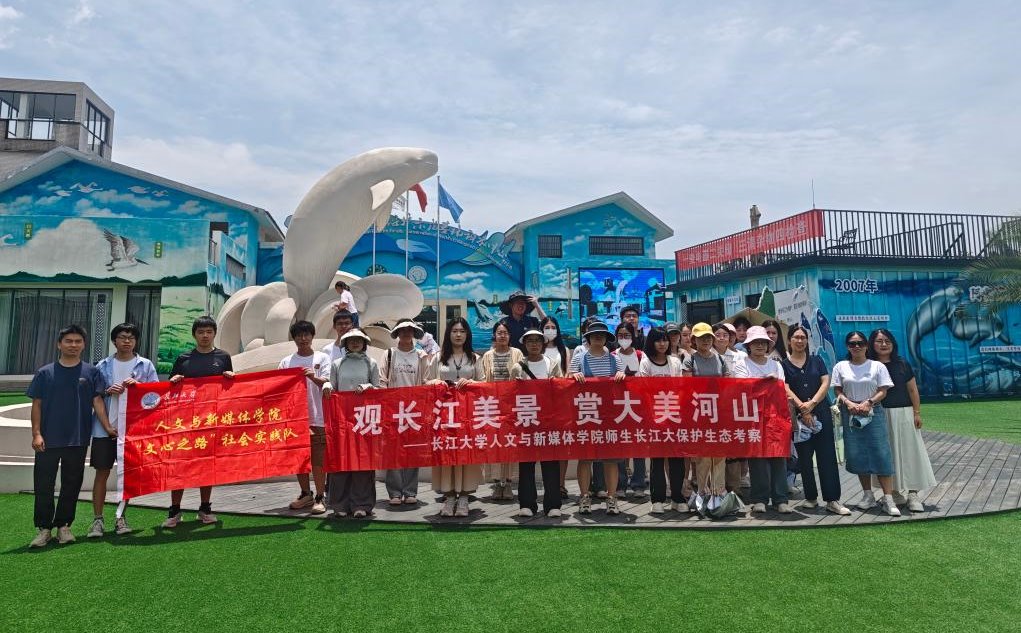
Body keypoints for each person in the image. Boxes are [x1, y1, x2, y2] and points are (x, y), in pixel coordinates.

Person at [27, 325, 110, 548]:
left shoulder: (91, 372)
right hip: (48, 439)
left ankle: (63, 526)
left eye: (78, 341)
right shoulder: (45, 373)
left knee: (71, 483)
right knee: (43, 484)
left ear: (84, 345)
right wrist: (36, 433)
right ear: (59, 344)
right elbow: (37, 404)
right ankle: (44, 529)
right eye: (69, 341)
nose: (73, 345)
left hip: (78, 438)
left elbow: (97, 401)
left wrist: (108, 427)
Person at [87, 323, 159, 538]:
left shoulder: (145, 365)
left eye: (131, 338)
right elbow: (95, 396)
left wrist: (139, 387)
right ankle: (97, 520)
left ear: (136, 341)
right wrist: (108, 391)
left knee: (127, 476)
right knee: (102, 473)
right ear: (114, 341)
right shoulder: (102, 365)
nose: (127, 341)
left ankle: (120, 518)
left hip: (132, 431)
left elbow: (155, 397)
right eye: (122, 337)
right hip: (104, 429)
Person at [163, 317, 234, 528]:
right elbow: (169, 389)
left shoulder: (223, 357)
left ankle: (205, 508)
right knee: (180, 465)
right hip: (184, 422)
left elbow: (229, 390)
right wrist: (174, 381)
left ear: (214, 334)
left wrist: (231, 377)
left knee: (207, 465)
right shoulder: (183, 358)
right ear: (194, 334)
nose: (205, 336)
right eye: (201, 332)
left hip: (211, 421)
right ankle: (175, 510)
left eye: (209, 332)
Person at [782, 325, 850, 515]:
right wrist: (802, 408)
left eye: (803, 337)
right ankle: (810, 497)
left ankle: (832, 499)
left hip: (820, 412)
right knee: (804, 458)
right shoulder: (783, 365)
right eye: (796, 337)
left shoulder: (817, 360)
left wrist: (811, 404)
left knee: (826, 456)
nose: (800, 341)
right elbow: (785, 387)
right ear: (789, 341)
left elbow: (825, 382)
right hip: (798, 417)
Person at [831, 331, 901, 517]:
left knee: (881, 452)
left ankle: (888, 498)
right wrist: (848, 403)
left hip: (873, 411)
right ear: (847, 346)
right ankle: (867, 495)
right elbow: (838, 390)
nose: (856, 346)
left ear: (866, 346)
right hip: (851, 412)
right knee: (857, 453)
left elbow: (883, 390)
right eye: (852, 343)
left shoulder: (877, 366)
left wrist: (869, 402)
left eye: (860, 343)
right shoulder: (841, 366)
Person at [868, 328, 936, 512]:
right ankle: (894, 493)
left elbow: (912, 390)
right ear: (872, 344)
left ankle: (913, 494)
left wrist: (916, 412)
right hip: (880, 414)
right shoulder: (870, 365)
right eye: (879, 341)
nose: (883, 344)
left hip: (904, 413)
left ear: (893, 343)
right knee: (887, 455)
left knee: (910, 452)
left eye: (887, 341)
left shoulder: (902, 364)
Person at [426, 318, 484, 517]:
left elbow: (484, 383)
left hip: (467, 415)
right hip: (444, 416)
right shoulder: (437, 358)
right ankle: (449, 497)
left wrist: (471, 383)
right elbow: (427, 382)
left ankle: (465, 498)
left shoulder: (474, 358)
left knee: (466, 454)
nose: (458, 335)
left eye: (462, 331)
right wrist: (436, 382)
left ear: (467, 335)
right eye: (454, 331)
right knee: (446, 454)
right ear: (448, 334)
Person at [568, 321, 627, 515]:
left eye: (602, 335)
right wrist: (574, 376)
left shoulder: (615, 360)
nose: (598, 337)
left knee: (611, 459)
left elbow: (623, 384)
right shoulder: (579, 358)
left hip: (609, 416)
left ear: (607, 338)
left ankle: (612, 498)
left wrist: (621, 376)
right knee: (585, 458)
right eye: (594, 334)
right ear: (588, 338)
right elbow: (567, 380)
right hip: (586, 415)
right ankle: (584, 497)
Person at [323, 329, 380, 518]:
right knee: (341, 461)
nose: (355, 342)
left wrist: (369, 387)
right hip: (342, 420)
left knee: (362, 462)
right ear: (345, 343)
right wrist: (327, 385)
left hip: (364, 420)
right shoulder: (337, 364)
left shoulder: (371, 363)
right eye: (351, 340)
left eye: (359, 340)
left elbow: (379, 389)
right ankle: (340, 504)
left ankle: (361, 504)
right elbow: (332, 385)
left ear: (365, 343)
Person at [683, 322, 741, 508]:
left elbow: (728, 383)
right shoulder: (689, 360)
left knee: (720, 454)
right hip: (699, 414)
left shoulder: (720, 360)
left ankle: (719, 493)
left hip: (718, 413)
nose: (706, 341)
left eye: (709, 337)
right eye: (701, 338)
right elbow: (687, 387)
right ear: (694, 340)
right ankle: (703, 492)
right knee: (703, 456)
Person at [511, 329, 565, 517]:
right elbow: (510, 394)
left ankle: (553, 504)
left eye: (537, 340)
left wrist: (555, 384)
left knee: (550, 462)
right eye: (530, 341)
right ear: (524, 344)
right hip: (526, 420)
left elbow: (562, 388)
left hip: (549, 420)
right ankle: (527, 503)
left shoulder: (552, 363)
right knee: (526, 463)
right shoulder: (518, 366)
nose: (534, 344)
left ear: (543, 344)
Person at [738, 326, 792, 514]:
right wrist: (766, 382)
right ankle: (759, 498)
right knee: (757, 458)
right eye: (755, 342)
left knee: (778, 456)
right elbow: (743, 387)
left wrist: (762, 384)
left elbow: (781, 388)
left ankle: (780, 498)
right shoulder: (742, 364)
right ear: (748, 345)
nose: (760, 345)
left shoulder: (776, 365)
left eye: (763, 342)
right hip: (753, 417)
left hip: (776, 416)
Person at [279, 321, 331, 515]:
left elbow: (328, 383)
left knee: (318, 460)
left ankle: (320, 496)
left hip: (317, 417)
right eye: (299, 335)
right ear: (293, 338)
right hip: (294, 419)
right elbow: (278, 387)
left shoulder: (322, 358)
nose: (303, 338)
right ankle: (305, 493)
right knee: (299, 459)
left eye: (306, 334)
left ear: (312, 336)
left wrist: (312, 376)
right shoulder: (286, 362)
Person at [381, 320, 430, 505]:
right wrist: (386, 404)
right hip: (393, 410)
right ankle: (394, 492)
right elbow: (382, 380)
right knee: (393, 451)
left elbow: (426, 381)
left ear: (415, 333)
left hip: (414, 411)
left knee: (412, 451)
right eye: (402, 330)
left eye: (410, 330)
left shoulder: (421, 356)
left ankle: (410, 491)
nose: (406, 333)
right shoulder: (389, 354)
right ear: (397, 333)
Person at [639, 327, 688, 514]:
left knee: (677, 459)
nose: (662, 344)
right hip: (654, 417)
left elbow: (681, 388)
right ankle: (657, 499)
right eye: (658, 340)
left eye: (665, 340)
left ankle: (677, 497)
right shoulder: (646, 363)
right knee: (657, 460)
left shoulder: (675, 362)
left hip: (674, 416)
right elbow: (644, 390)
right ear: (651, 342)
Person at [480, 320, 524, 500]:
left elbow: (522, 375)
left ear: (509, 335)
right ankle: (498, 483)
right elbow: (483, 379)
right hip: (492, 406)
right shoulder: (487, 356)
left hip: (512, 406)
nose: (502, 335)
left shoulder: (517, 353)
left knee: (510, 444)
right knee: (496, 444)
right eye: (499, 332)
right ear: (494, 335)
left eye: (505, 332)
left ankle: (509, 483)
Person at [540, 315, 573, 501]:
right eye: (547, 327)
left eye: (553, 327)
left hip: (560, 400)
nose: (550, 330)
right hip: (540, 401)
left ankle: (560, 484)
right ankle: (549, 485)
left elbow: (567, 372)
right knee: (545, 444)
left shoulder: (564, 349)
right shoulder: (538, 348)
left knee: (562, 444)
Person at [613, 321, 646, 498]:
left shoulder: (640, 355)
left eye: (627, 335)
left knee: (638, 445)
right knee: (620, 446)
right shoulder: (612, 355)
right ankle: (620, 484)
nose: (624, 338)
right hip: (618, 406)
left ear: (633, 337)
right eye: (620, 336)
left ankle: (639, 483)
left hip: (637, 406)